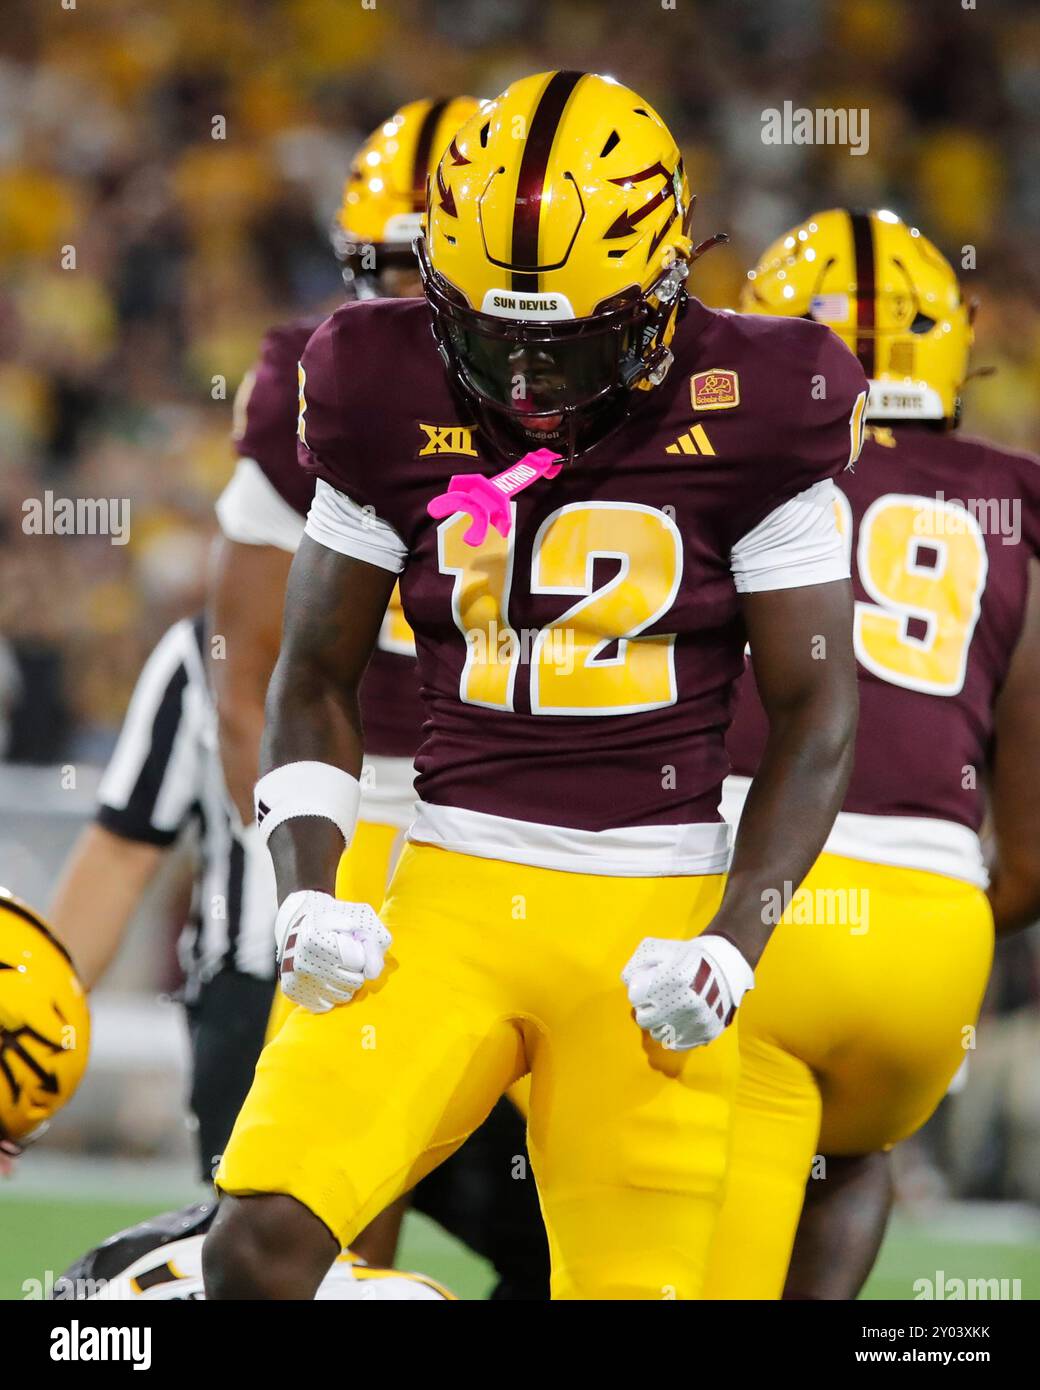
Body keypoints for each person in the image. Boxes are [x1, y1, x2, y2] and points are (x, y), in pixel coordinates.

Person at [203, 70, 866, 1302]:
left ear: (665, 287)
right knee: (258, 1245)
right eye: (490, 334)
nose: (524, 381)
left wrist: (733, 938)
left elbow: (819, 711)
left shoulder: (763, 401)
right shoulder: (371, 378)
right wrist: (305, 888)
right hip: (445, 890)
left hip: (649, 923)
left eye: (564, 342)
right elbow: (311, 676)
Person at [210, 94, 550, 1297]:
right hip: (362, 803)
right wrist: (305, 878)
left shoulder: (597, 383)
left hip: (535, 822)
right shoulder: (318, 382)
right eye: (375, 264)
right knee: (335, 1200)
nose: (392, 294)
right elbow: (253, 678)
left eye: (419, 265)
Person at [704, 208, 1040, 1299]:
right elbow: (1030, 854)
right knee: (850, 1150)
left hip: (747, 901)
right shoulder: (1013, 505)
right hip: (931, 944)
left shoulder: (719, 462)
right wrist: (911, 919)